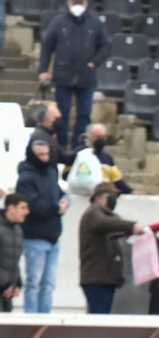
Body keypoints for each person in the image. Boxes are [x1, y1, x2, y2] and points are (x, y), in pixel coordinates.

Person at [38, 0, 108, 152]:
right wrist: (43, 70)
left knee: (84, 114)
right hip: (63, 76)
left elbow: (105, 46)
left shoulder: (95, 23)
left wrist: (94, 63)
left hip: (86, 78)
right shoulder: (58, 22)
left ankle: (79, 147)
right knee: (61, 114)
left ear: (87, 3)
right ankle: (61, 147)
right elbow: (47, 45)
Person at [77, 181, 146, 315]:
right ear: (100, 197)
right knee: (98, 318)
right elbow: (104, 223)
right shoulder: (93, 213)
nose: (114, 200)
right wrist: (132, 226)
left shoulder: (111, 218)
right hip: (96, 278)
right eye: (112, 195)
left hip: (108, 278)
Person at [16, 137, 67, 314]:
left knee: (49, 283)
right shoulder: (26, 178)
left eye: (47, 154)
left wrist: (65, 200)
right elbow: (35, 206)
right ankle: (31, 316)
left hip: (53, 238)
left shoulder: (51, 172)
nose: (45, 158)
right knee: (34, 282)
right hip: (35, 238)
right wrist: (57, 207)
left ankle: (45, 316)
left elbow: (60, 193)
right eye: (41, 154)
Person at [76, 124, 133, 195]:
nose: (101, 140)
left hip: (101, 196)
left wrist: (131, 191)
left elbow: (116, 180)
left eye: (103, 137)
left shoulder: (107, 157)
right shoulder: (80, 154)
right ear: (89, 137)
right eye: (98, 137)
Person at [0, 194, 27, 313]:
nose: (27, 212)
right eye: (23, 208)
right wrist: (5, 284)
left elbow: (14, 260)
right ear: (11, 208)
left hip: (7, 292)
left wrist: (17, 283)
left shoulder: (17, 230)